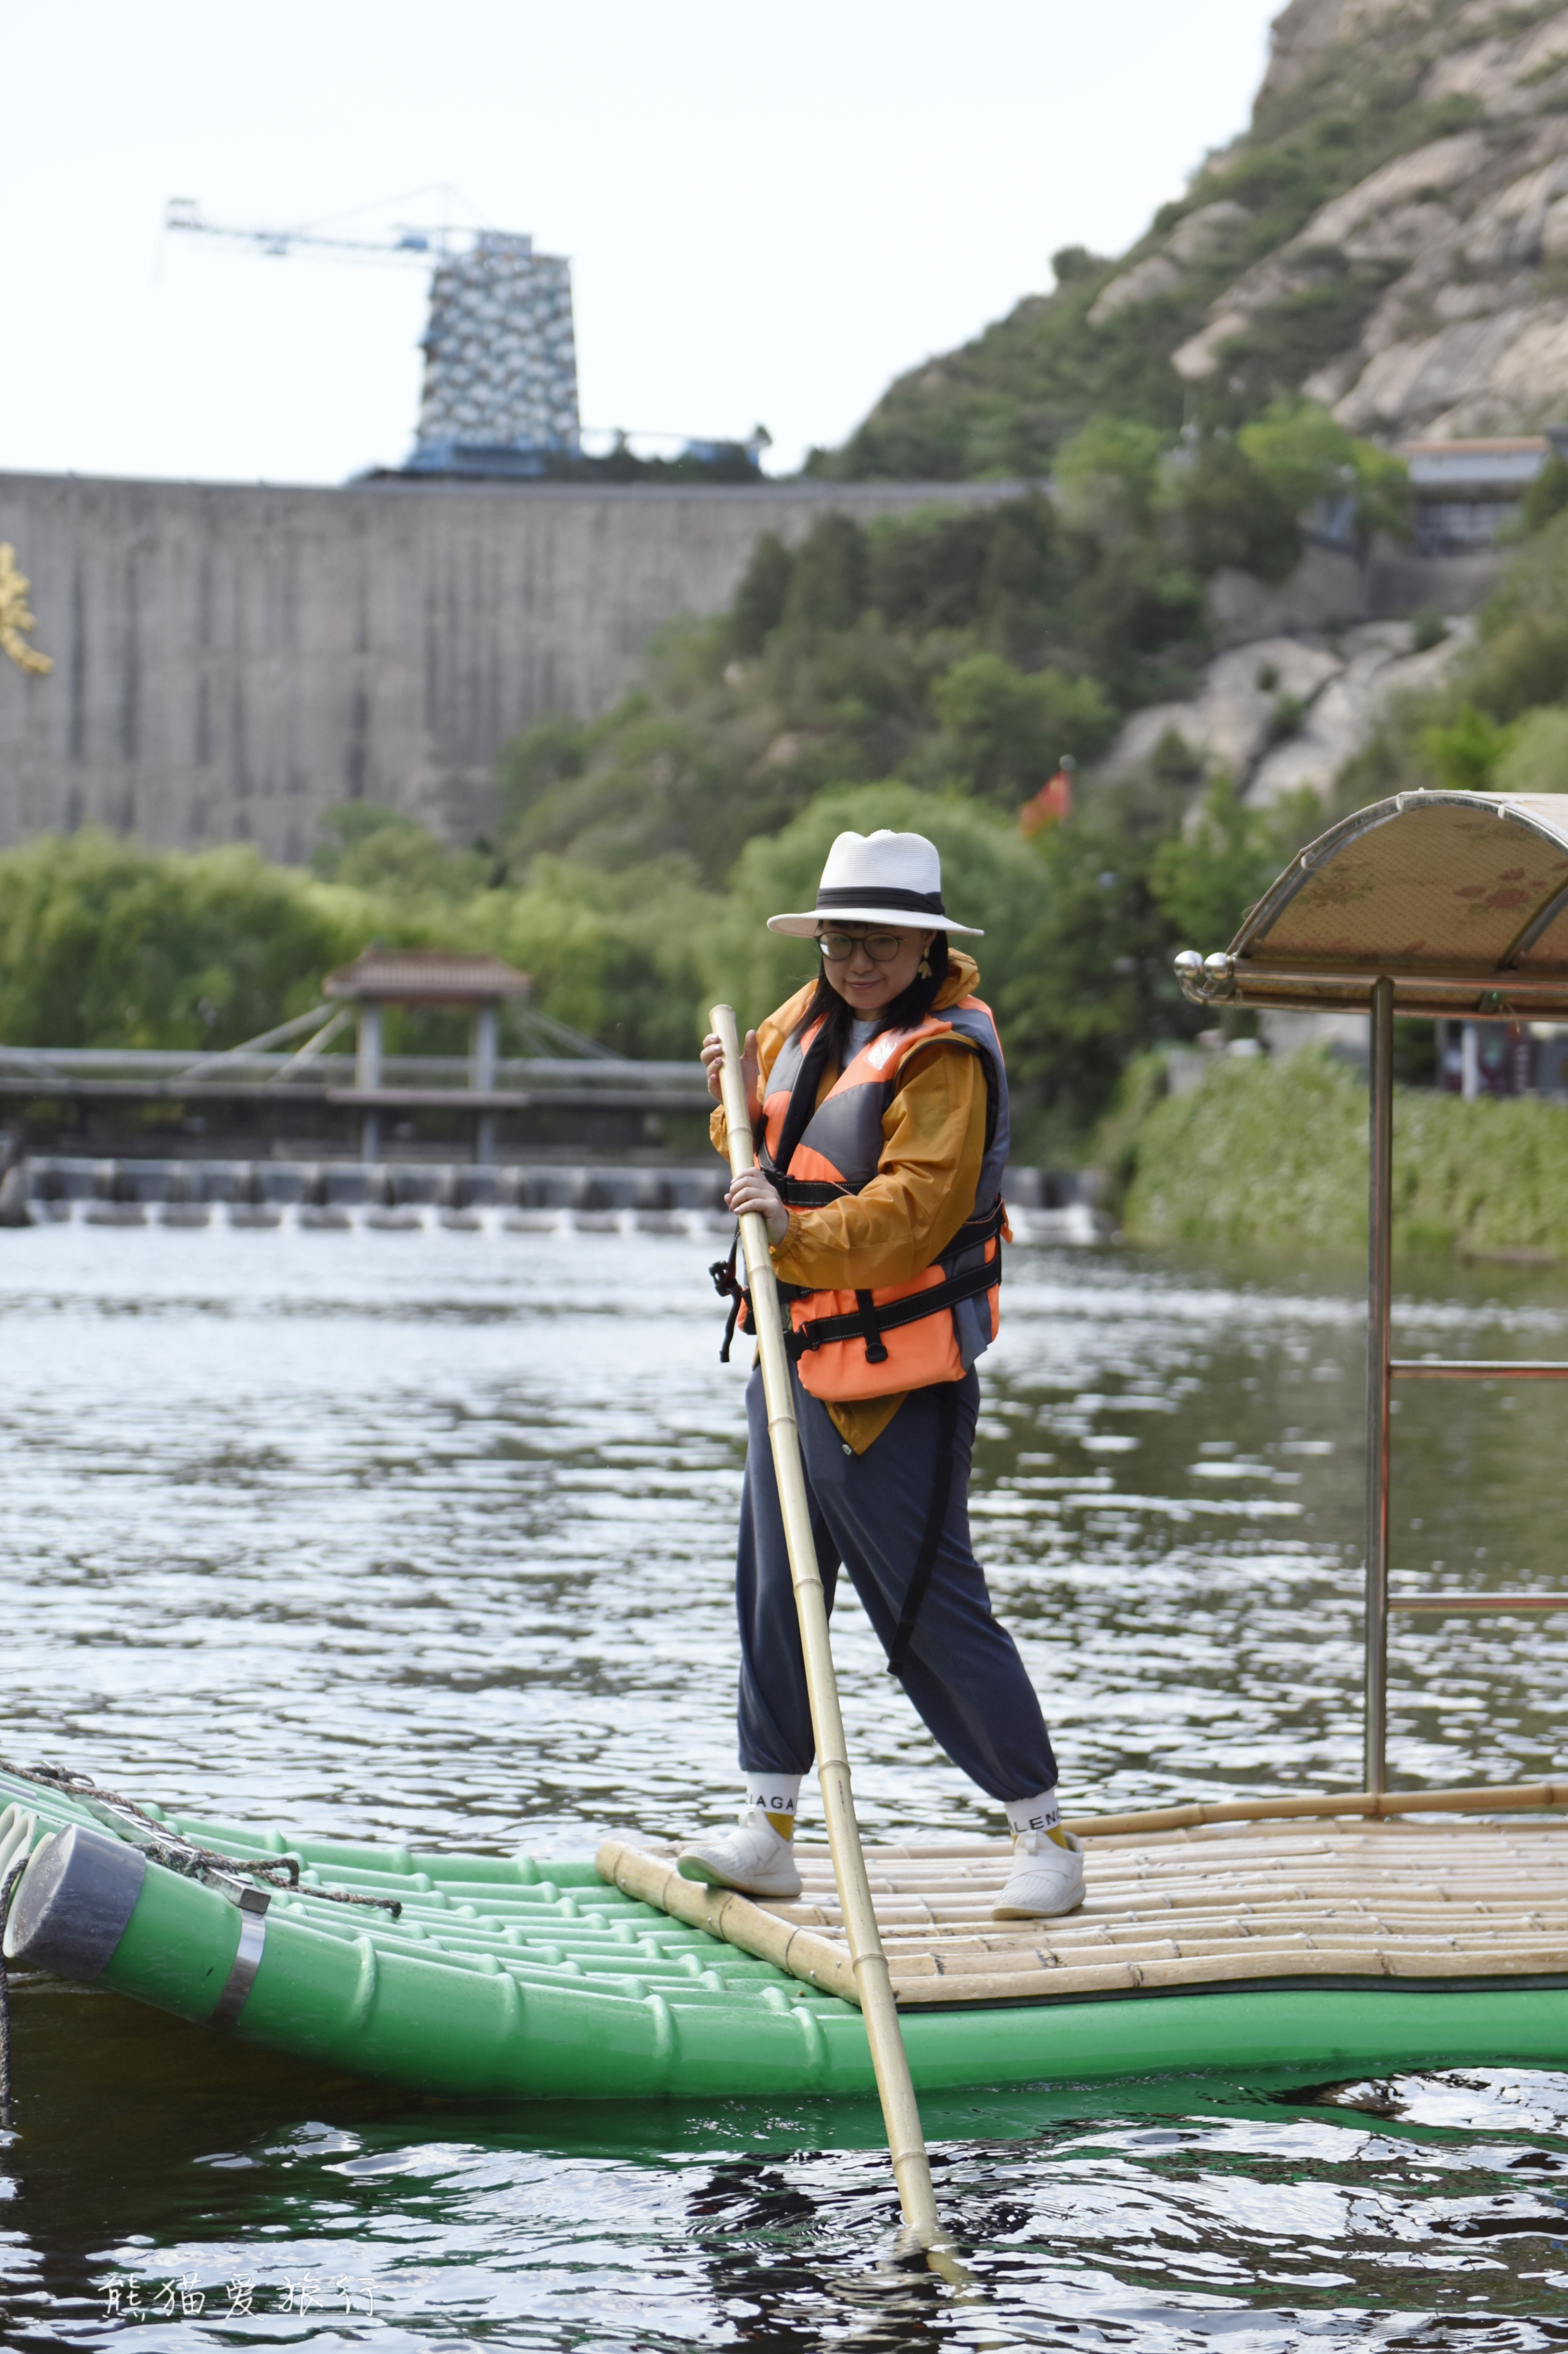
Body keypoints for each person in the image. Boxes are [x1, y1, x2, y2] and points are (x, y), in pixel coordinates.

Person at [682, 827, 1083, 1920]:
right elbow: (747, 1151)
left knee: (924, 1609)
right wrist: (731, 1092)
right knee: (773, 1590)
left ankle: (1043, 1832)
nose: (859, 960)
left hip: (897, 1383)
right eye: (843, 938)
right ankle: (768, 1825)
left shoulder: (944, 1054)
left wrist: (788, 1235)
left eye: (882, 941)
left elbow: (915, 1212)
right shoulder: (797, 1020)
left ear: (925, 944)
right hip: (794, 1358)